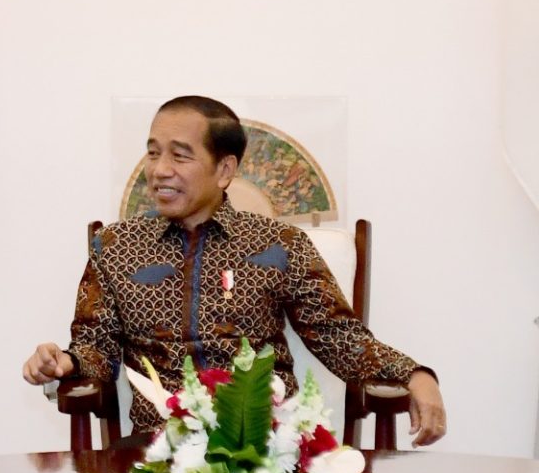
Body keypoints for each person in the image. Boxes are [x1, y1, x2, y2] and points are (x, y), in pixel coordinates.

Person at [23, 95, 447, 446]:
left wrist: (416, 375)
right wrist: (64, 362)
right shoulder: (116, 247)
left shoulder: (279, 246)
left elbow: (340, 338)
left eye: (179, 155)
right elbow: (96, 351)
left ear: (224, 169)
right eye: (153, 153)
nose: (159, 170)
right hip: (159, 447)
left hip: (266, 445)